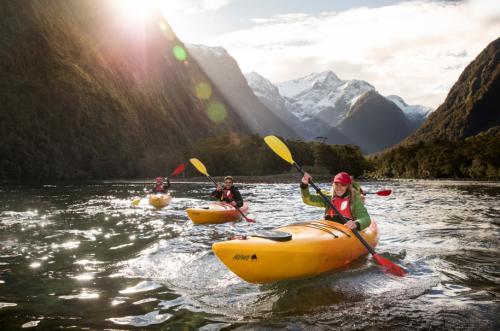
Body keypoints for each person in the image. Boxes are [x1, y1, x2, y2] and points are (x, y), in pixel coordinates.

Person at [300, 171, 371, 230]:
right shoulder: (328, 198)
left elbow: (366, 218)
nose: (339, 188)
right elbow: (307, 199)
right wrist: (304, 185)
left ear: (348, 186)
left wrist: (356, 223)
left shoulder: (354, 201)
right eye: (337, 184)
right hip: (329, 230)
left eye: (343, 184)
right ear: (333, 185)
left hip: (346, 233)